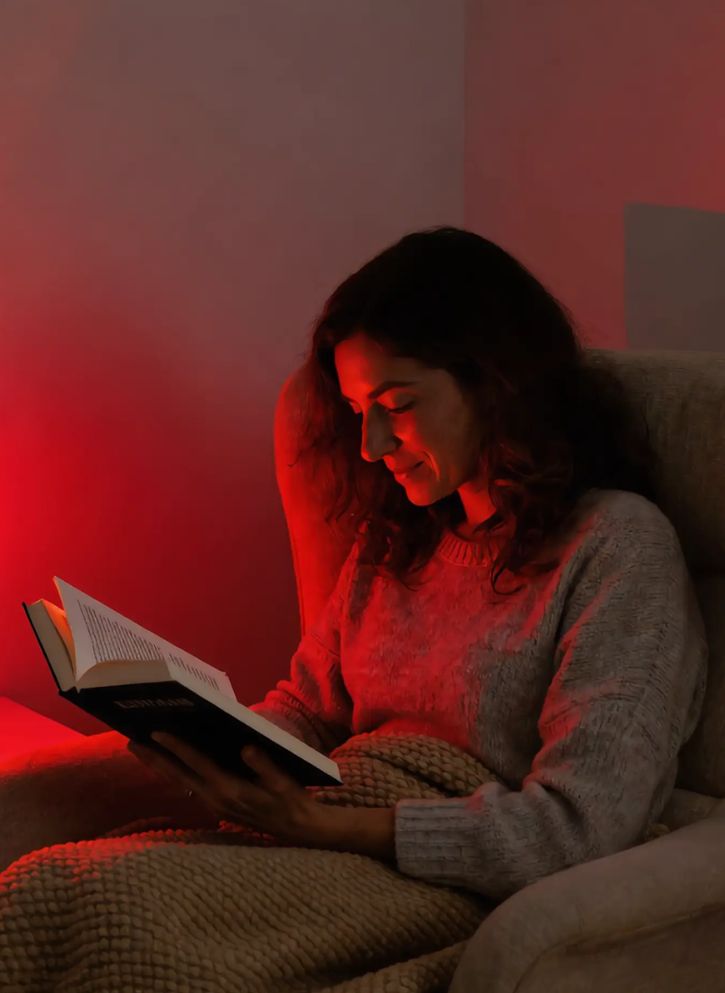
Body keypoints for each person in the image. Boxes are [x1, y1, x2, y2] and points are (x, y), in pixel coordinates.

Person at [127, 226, 708, 900]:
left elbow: (580, 826)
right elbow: (309, 709)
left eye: (397, 406)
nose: (371, 445)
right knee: (74, 879)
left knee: (123, 909)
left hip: (432, 879)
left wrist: (333, 828)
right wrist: (212, 745)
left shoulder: (616, 547)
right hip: (328, 834)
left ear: (495, 384)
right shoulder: (395, 541)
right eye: (357, 411)